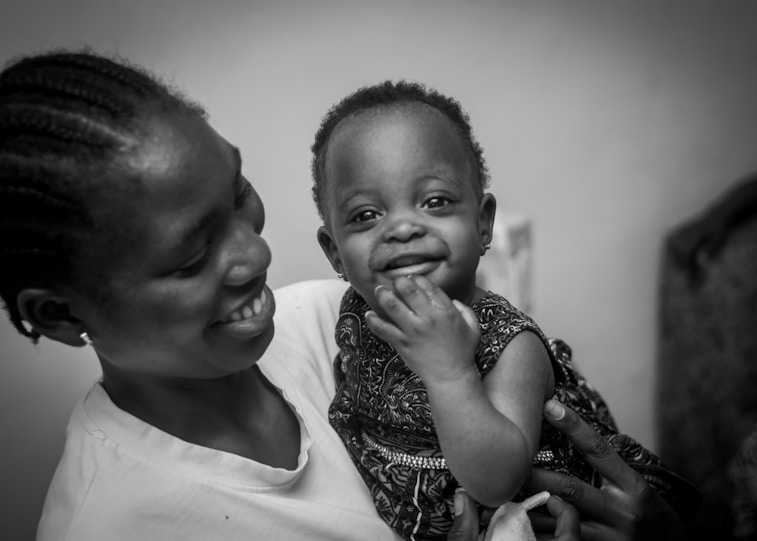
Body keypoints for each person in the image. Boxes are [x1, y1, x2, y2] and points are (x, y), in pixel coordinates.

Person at [0, 49, 690, 541]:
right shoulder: (117, 521)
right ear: (58, 314)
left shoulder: (331, 316)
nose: (257, 254)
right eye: (191, 255)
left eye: (240, 195)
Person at [310, 81, 699, 540]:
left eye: (434, 202)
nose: (402, 227)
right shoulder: (353, 314)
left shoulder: (512, 345)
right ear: (335, 253)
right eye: (366, 215)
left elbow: (496, 483)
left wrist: (451, 373)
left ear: (482, 223)